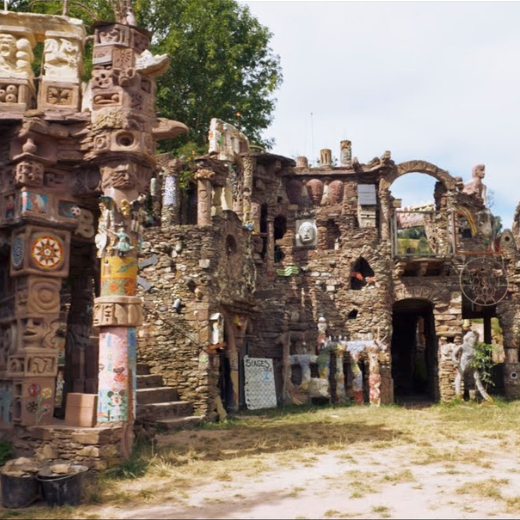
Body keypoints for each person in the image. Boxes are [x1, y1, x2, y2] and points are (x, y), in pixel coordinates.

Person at [451, 330, 492, 402]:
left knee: (477, 379)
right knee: (459, 377)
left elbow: (481, 356)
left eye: (475, 337)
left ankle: (486, 397)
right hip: (463, 364)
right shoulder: (463, 346)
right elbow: (454, 353)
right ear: (468, 338)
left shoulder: (476, 348)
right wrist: (455, 360)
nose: (474, 339)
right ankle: (458, 395)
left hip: (473, 365)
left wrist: (482, 361)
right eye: (472, 337)